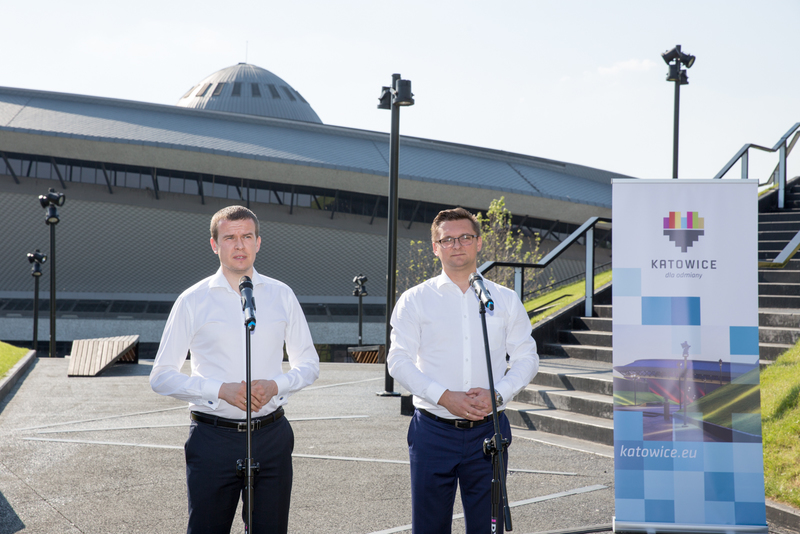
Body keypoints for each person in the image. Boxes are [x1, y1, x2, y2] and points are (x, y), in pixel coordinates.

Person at [150, 205, 319, 534]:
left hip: (272, 437)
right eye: (229, 238)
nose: (240, 245)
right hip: (213, 439)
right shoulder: (192, 300)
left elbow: (310, 364)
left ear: (259, 242)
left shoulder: (282, 295)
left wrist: (277, 385)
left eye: (247, 237)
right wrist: (219, 391)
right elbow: (161, 377)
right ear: (214, 245)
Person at [387, 207, 538, 534]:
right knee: (429, 528)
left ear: (479, 243)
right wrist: (444, 396)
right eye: (448, 239)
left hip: (490, 431)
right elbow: (398, 360)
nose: (457, 245)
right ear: (435, 247)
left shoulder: (504, 299)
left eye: (465, 237)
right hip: (433, 431)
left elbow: (527, 356)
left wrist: (499, 394)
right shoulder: (415, 300)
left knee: (488, 528)